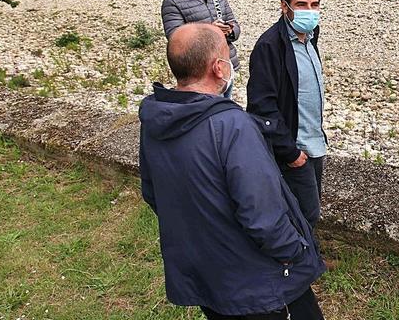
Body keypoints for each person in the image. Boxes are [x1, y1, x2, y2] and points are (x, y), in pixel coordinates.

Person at [139, 23, 325, 320]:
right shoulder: (232, 125)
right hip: (259, 286)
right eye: (227, 56)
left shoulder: (156, 118)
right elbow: (263, 217)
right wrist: (298, 251)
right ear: (217, 68)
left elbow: (152, 192)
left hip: (208, 277)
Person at [247, 0, 326, 229]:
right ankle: (298, 264)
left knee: (309, 209)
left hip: (315, 142)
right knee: (305, 214)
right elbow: (261, 106)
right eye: (302, 5)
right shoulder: (269, 46)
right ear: (285, 7)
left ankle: (303, 257)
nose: (310, 11)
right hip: (294, 147)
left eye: (314, 5)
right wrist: (290, 152)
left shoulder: (310, 36)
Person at [162, 0, 240, 99]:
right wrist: (210, 31)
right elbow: (176, 41)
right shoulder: (172, 0)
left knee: (225, 110)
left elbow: (234, 23)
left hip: (224, 67)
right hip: (198, 75)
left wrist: (229, 31)